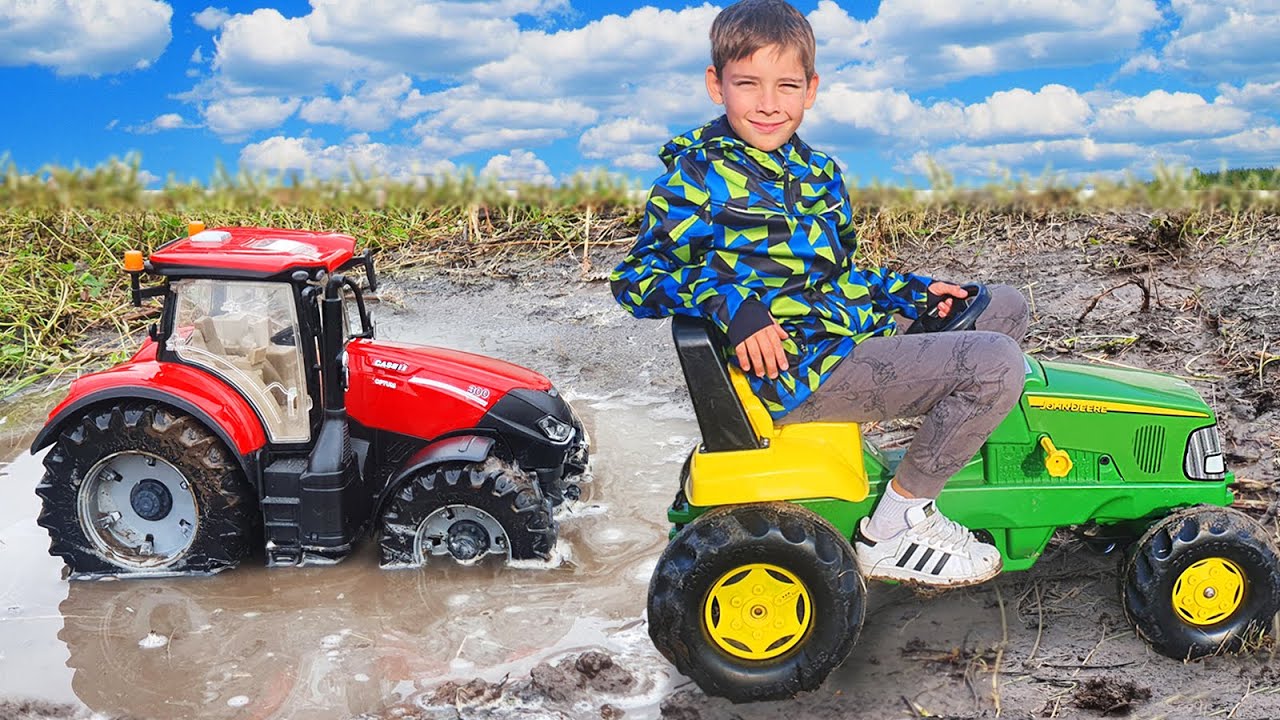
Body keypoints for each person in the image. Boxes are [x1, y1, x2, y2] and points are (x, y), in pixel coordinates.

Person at [610, 0, 1030, 587]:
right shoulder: (694, 180)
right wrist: (731, 303)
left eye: (786, 85)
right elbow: (636, 280)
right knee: (995, 364)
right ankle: (895, 529)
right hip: (794, 370)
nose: (768, 103)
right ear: (716, 85)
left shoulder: (819, 172)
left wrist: (912, 293)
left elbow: (841, 277)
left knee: (1001, 305)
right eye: (747, 84)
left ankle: (924, 470)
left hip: (843, 337)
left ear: (810, 89)